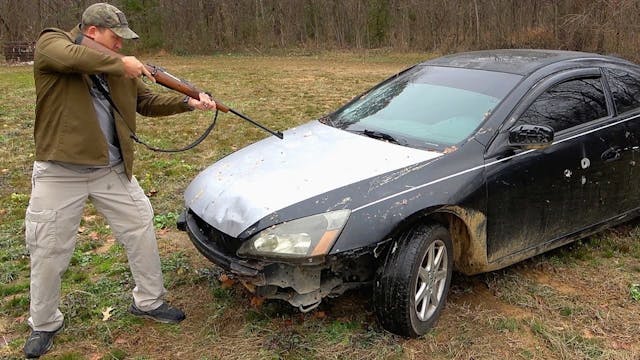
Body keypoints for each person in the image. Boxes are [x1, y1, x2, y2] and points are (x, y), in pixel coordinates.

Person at [23, 3, 216, 358]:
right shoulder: (52, 43)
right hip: (60, 171)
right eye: (115, 38)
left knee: (141, 229)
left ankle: (149, 301)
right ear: (92, 31)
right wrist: (123, 65)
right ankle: (44, 322)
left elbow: (146, 102)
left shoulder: (118, 67)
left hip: (111, 170)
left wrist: (188, 103)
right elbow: (71, 58)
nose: (119, 47)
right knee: (49, 249)